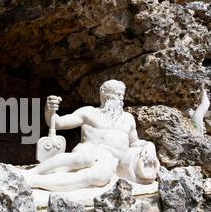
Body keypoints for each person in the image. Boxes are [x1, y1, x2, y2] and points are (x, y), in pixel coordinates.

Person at [21, 79, 160, 192]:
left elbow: (135, 142)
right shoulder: (89, 112)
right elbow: (58, 123)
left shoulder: (128, 119)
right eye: (112, 95)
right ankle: (31, 173)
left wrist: (150, 145)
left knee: (96, 176)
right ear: (102, 95)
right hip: (87, 151)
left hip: (109, 161)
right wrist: (49, 110)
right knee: (79, 158)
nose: (115, 98)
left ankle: (34, 181)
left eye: (118, 95)